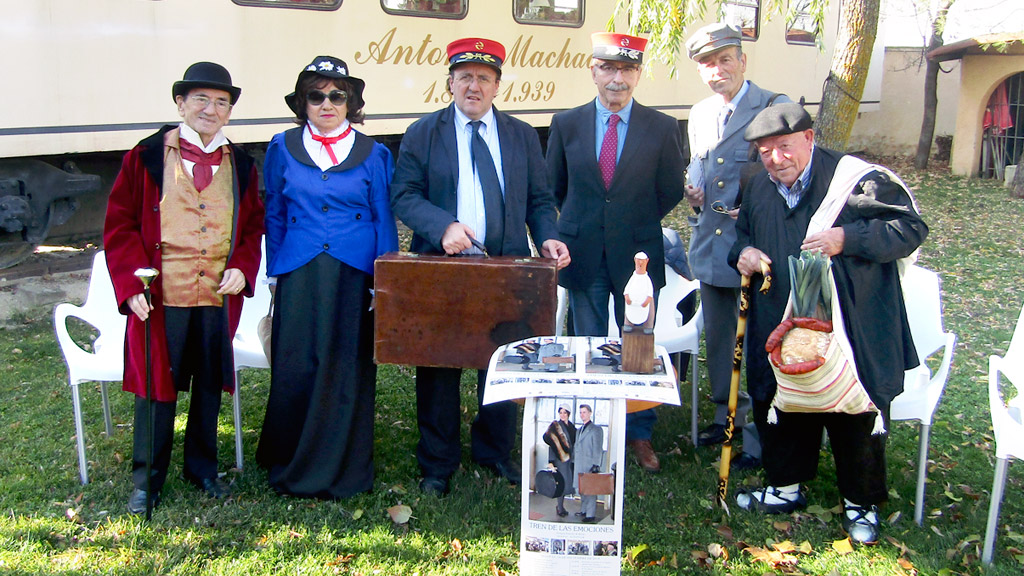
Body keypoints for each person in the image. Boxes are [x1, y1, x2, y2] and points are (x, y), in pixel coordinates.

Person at [728, 103, 928, 544]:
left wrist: (847, 237)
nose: (775, 159)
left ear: (809, 138)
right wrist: (741, 254)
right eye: (765, 151)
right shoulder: (758, 187)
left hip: (852, 318)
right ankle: (785, 487)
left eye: (784, 147)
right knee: (782, 399)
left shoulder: (855, 180)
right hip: (780, 317)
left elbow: (910, 228)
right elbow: (742, 236)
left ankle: (861, 502)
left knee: (853, 407)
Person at [390, 37, 571, 496]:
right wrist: (442, 225)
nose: (474, 86)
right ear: (450, 83)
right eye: (465, 77)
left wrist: (548, 234)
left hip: (506, 266)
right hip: (443, 268)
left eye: (484, 78)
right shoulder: (422, 132)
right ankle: (437, 461)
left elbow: (540, 199)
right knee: (439, 364)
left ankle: (494, 451)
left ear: (497, 86)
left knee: (503, 362)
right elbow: (405, 195)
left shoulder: (521, 135)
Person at [103, 62, 265, 514]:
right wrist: (131, 280)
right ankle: (147, 481)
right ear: (181, 103)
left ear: (230, 112)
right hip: (161, 296)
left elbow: (252, 227)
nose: (211, 110)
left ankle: (202, 469)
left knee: (209, 384)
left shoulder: (243, 166)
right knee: (157, 386)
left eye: (221, 103)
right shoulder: (147, 156)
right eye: (201, 100)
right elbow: (118, 224)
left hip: (215, 294)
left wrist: (243, 267)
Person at [255, 56, 398, 498]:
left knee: (344, 363)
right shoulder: (282, 147)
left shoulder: (374, 153)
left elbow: (383, 219)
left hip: (353, 274)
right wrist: (274, 271)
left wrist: (383, 280)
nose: (327, 103)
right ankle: (292, 458)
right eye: (316, 95)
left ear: (351, 101)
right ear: (304, 102)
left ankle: (342, 466)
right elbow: (274, 213)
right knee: (298, 363)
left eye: (337, 95)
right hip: (298, 271)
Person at [546, 32, 685, 473]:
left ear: (638, 75)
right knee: (586, 345)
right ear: (593, 71)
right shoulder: (565, 123)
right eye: (608, 68)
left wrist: (631, 221)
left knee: (637, 348)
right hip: (583, 254)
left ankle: (640, 433)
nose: (617, 78)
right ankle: (592, 429)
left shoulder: (662, 128)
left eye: (626, 69)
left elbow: (670, 189)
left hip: (637, 257)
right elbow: (555, 187)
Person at [684, 23, 791, 470]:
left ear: (743, 61)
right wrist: (694, 197)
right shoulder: (700, 113)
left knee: (761, 345)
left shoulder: (773, 105)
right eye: (707, 63)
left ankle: (761, 436)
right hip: (711, 246)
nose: (717, 70)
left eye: (725, 59)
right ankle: (725, 417)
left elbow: (791, 178)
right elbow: (702, 172)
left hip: (756, 249)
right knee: (722, 339)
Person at [542, 403, 576, 517]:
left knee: (567, 484)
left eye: (564, 413)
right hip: (559, 460)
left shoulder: (572, 427)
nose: (562, 415)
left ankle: (561, 507)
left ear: (568, 414)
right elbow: (552, 445)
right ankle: (560, 508)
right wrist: (551, 461)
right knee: (560, 483)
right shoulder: (555, 427)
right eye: (560, 412)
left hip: (570, 460)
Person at [573, 404, 604, 523]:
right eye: (580, 412)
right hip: (579, 464)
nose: (582, 415)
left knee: (590, 490)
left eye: (584, 412)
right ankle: (584, 510)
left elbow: (598, 448)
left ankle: (590, 515)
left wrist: (596, 464)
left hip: (589, 464)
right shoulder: (579, 430)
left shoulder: (596, 429)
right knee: (581, 489)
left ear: (590, 413)